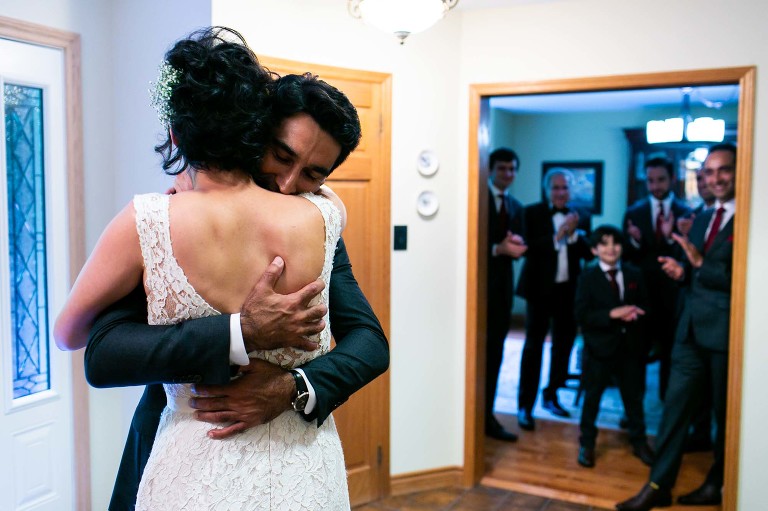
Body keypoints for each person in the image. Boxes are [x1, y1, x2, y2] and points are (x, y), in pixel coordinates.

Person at [56, 27, 385, 510]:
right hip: (185, 449)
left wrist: (291, 389)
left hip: (293, 458)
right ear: (256, 133)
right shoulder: (162, 221)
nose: (290, 183)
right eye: (282, 156)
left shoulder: (323, 218)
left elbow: (370, 341)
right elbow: (105, 351)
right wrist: (238, 332)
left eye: (314, 174)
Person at [616, 143, 736, 510]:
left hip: (725, 334)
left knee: (724, 418)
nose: (715, 178)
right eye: (708, 172)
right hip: (689, 332)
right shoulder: (701, 218)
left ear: (738, 171)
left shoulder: (751, 217)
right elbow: (695, 274)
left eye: (723, 170)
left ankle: (718, 484)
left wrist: (698, 263)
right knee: (673, 410)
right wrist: (682, 272)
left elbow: (745, 279)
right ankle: (657, 486)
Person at [515, 168, 591, 431]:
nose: (560, 192)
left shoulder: (580, 216)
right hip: (538, 290)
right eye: (556, 187)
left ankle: (552, 395)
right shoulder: (531, 212)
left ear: (571, 191)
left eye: (565, 188)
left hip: (568, 291)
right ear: (547, 190)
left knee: (563, 346)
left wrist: (574, 233)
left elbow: (588, 253)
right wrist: (558, 235)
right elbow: (528, 248)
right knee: (533, 347)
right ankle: (525, 405)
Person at [573, 225, 654, 468]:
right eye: (604, 244)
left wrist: (635, 313)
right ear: (594, 250)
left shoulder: (633, 274)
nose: (611, 248)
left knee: (633, 397)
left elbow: (646, 305)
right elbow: (581, 314)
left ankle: (639, 442)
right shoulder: (587, 277)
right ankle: (587, 443)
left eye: (615, 243)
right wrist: (612, 313)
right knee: (593, 397)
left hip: (628, 347)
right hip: (599, 349)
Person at [623, 157, 691, 400]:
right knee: (637, 352)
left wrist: (671, 238)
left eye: (661, 180)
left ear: (672, 179)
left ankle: (666, 402)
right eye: (650, 181)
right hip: (642, 296)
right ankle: (634, 406)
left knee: (670, 352)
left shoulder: (686, 212)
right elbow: (626, 259)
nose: (655, 186)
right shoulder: (634, 211)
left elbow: (689, 258)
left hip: (673, 297)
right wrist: (634, 240)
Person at [485, 148, 527, 441]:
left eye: (512, 169)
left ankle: (488, 415)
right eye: (502, 169)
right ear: (491, 170)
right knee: (478, 355)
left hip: (502, 293)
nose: (508, 175)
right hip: (478, 291)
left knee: (497, 354)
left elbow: (518, 244)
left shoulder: (516, 206)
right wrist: (497, 248)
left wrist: (515, 245)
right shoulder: (479, 201)